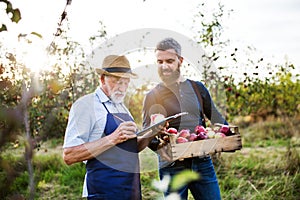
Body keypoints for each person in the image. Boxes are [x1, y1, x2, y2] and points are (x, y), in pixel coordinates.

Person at [142, 38, 229, 200]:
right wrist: (160, 148)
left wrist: (229, 135)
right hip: (172, 165)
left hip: (202, 162)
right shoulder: (153, 95)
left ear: (180, 61)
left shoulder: (197, 88)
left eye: (169, 61)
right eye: (159, 61)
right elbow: (147, 132)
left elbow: (216, 118)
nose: (164, 66)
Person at [63, 55, 154, 200]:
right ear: (102, 79)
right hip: (104, 192)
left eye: (125, 82)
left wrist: (151, 134)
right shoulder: (86, 105)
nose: (122, 88)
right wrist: (113, 138)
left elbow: (130, 147)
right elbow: (69, 155)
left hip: (131, 190)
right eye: (116, 81)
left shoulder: (121, 106)